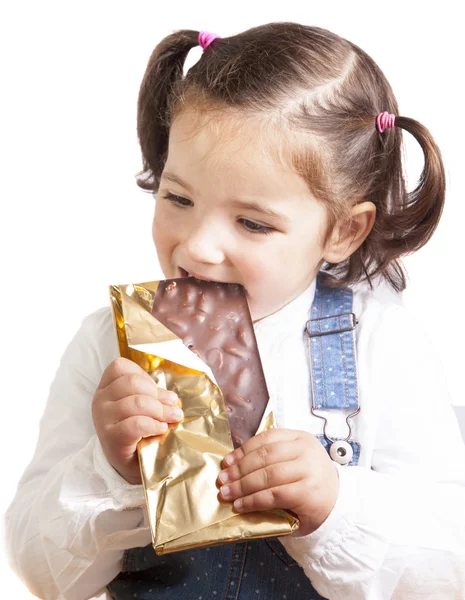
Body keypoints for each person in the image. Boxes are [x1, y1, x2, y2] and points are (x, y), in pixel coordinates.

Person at [5, 22, 465, 600]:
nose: (197, 246)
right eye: (177, 198)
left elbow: (449, 570)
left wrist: (334, 502)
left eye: (251, 222)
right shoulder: (109, 345)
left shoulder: (381, 344)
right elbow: (43, 576)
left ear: (344, 230)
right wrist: (114, 470)